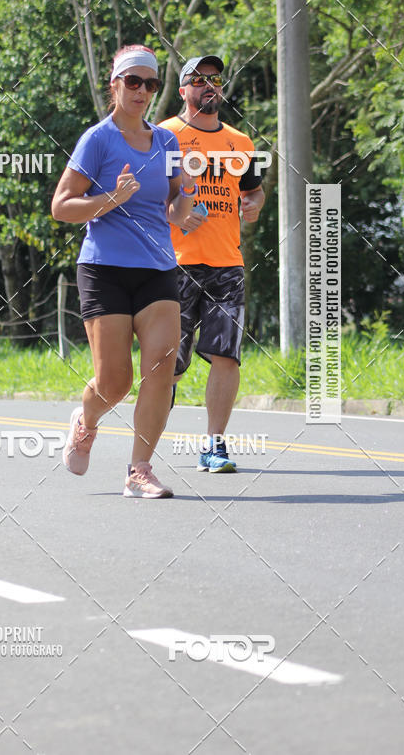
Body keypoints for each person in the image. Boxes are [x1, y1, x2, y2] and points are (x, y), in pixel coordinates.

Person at [51, 44, 196, 498]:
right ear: (114, 85)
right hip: (104, 269)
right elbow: (61, 207)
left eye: (149, 84)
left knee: (161, 365)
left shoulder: (168, 142)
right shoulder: (97, 140)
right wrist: (110, 199)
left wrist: (187, 197)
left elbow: (174, 208)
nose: (141, 91)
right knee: (116, 381)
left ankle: (140, 469)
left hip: (157, 268)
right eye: (132, 82)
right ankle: (86, 420)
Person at [159, 54, 265, 473]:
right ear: (183, 89)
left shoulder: (241, 142)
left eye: (215, 79)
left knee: (226, 356)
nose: (208, 86)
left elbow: (254, 190)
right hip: (174, 265)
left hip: (227, 265)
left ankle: (215, 445)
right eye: (198, 80)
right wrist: (176, 211)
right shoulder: (165, 135)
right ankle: (146, 444)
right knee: (169, 363)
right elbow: (145, 197)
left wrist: (254, 203)